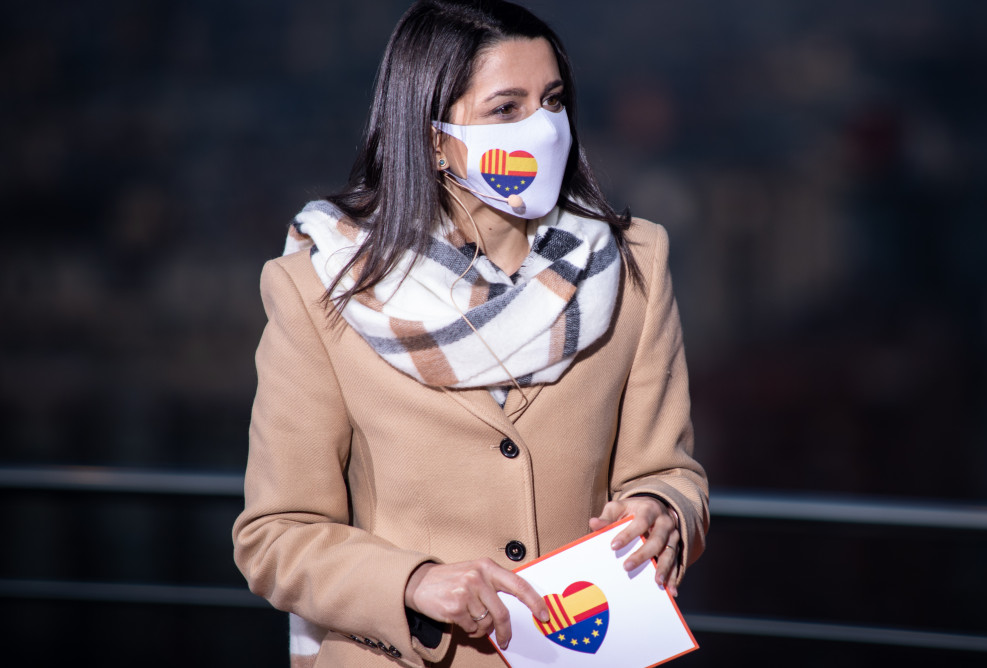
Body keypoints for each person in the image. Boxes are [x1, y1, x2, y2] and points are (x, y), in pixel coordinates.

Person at [232, 1, 708, 666]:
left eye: (552, 100)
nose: (540, 128)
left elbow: (669, 469)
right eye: (505, 108)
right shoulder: (321, 289)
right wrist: (416, 583)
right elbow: (276, 536)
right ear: (431, 138)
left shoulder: (631, 265)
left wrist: (664, 508)